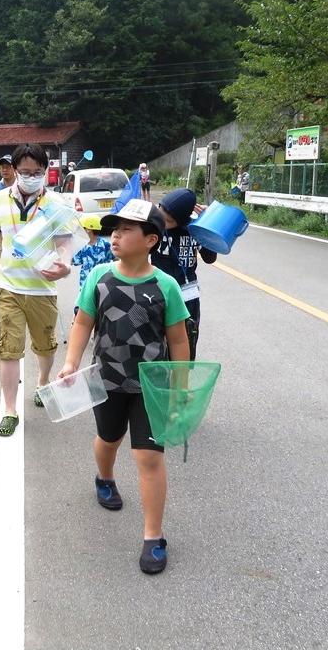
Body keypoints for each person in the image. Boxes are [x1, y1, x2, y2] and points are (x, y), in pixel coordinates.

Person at [57, 199, 190, 575]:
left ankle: (153, 536)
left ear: (150, 240)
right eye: (114, 228)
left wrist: (178, 388)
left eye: (126, 229)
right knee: (108, 439)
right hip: (108, 379)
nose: (115, 234)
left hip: (151, 385)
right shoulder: (100, 276)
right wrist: (70, 363)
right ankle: (105, 477)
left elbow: (178, 341)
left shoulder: (166, 286)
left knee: (148, 456)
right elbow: (83, 323)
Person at [0, 143, 71, 436]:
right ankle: (10, 410)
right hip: (9, 286)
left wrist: (65, 265)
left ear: (46, 171)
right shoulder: (0, 198)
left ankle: (43, 382)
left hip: (42, 289)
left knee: (45, 345)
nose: (31, 177)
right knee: (9, 349)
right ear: (14, 170)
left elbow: (63, 244)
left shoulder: (56, 204)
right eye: (25, 172)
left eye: (37, 172)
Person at [151, 188, 217, 360]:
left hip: (187, 298)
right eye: (161, 215)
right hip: (157, 294)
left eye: (169, 221)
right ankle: (158, 380)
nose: (163, 222)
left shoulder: (194, 231)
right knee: (155, 342)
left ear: (181, 221)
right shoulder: (153, 228)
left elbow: (210, 258)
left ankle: (181, 381)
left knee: (187, 341)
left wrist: (207, 225)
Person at [70, 214, 114, 314]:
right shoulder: (82, 245)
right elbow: (74, 260)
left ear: (89, 229)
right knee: (83, 308)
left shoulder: (105, 244)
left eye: (82, 228)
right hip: (86, 283)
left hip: (104, 281)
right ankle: (77, 320)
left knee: (103, 306)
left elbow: (114, 258)